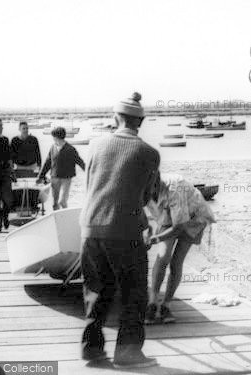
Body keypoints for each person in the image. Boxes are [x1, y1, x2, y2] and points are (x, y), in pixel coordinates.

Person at [79, 92, 160, 369]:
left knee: (96, 289)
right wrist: (146, 224)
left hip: (90, 228)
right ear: (141, 121)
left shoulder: (96, 145)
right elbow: (147, 196)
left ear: (116, 118)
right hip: (124, 231)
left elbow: (92, 185)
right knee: (134, 292)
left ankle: (91, 348)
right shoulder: (149, 154)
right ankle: (127, 354)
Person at [144, 173, 216, 324]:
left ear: (157, 183)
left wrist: (156, 238)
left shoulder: (174, 189)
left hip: (195, 217)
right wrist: (148, 230)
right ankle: (152, 303)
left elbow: (178, 227)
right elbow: (139, 212)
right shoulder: (141, 188)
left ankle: (166, 305)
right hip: (169, 215)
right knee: (163, 257)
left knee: (176, 261)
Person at [36, 127, 85, 210]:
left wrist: (89, 172)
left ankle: (65, 217)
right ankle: (56, 219)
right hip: (55, 177)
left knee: (62, 201)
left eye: (53, 137)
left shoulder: (71, 149)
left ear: (57, 137)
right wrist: (41, 176)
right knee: (55, 203)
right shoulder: (53, 147)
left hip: (66, 178)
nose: (53, 138)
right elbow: (47, 163)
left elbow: (80, 162)